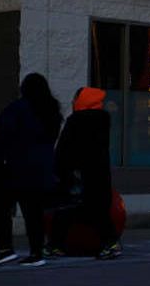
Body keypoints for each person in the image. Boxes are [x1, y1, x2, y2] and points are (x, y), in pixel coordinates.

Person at [0, 73, 63, 266]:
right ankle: (36, 252)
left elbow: (4, 136)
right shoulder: (52, 111)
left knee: (0, 206)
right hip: (41, 169)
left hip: (16, 167)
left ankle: (5, 249)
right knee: (33, 213)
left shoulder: (17, 109)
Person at [46, 87, 120, 260]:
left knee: (66, 210)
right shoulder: (103, 120)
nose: (72, 102)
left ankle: (55, 245)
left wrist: (60, 170)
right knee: (98, 211)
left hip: (77, 175)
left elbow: (64, 151)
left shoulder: (76, 121)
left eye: (75, 98)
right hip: (98, 175)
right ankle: (110, 243)